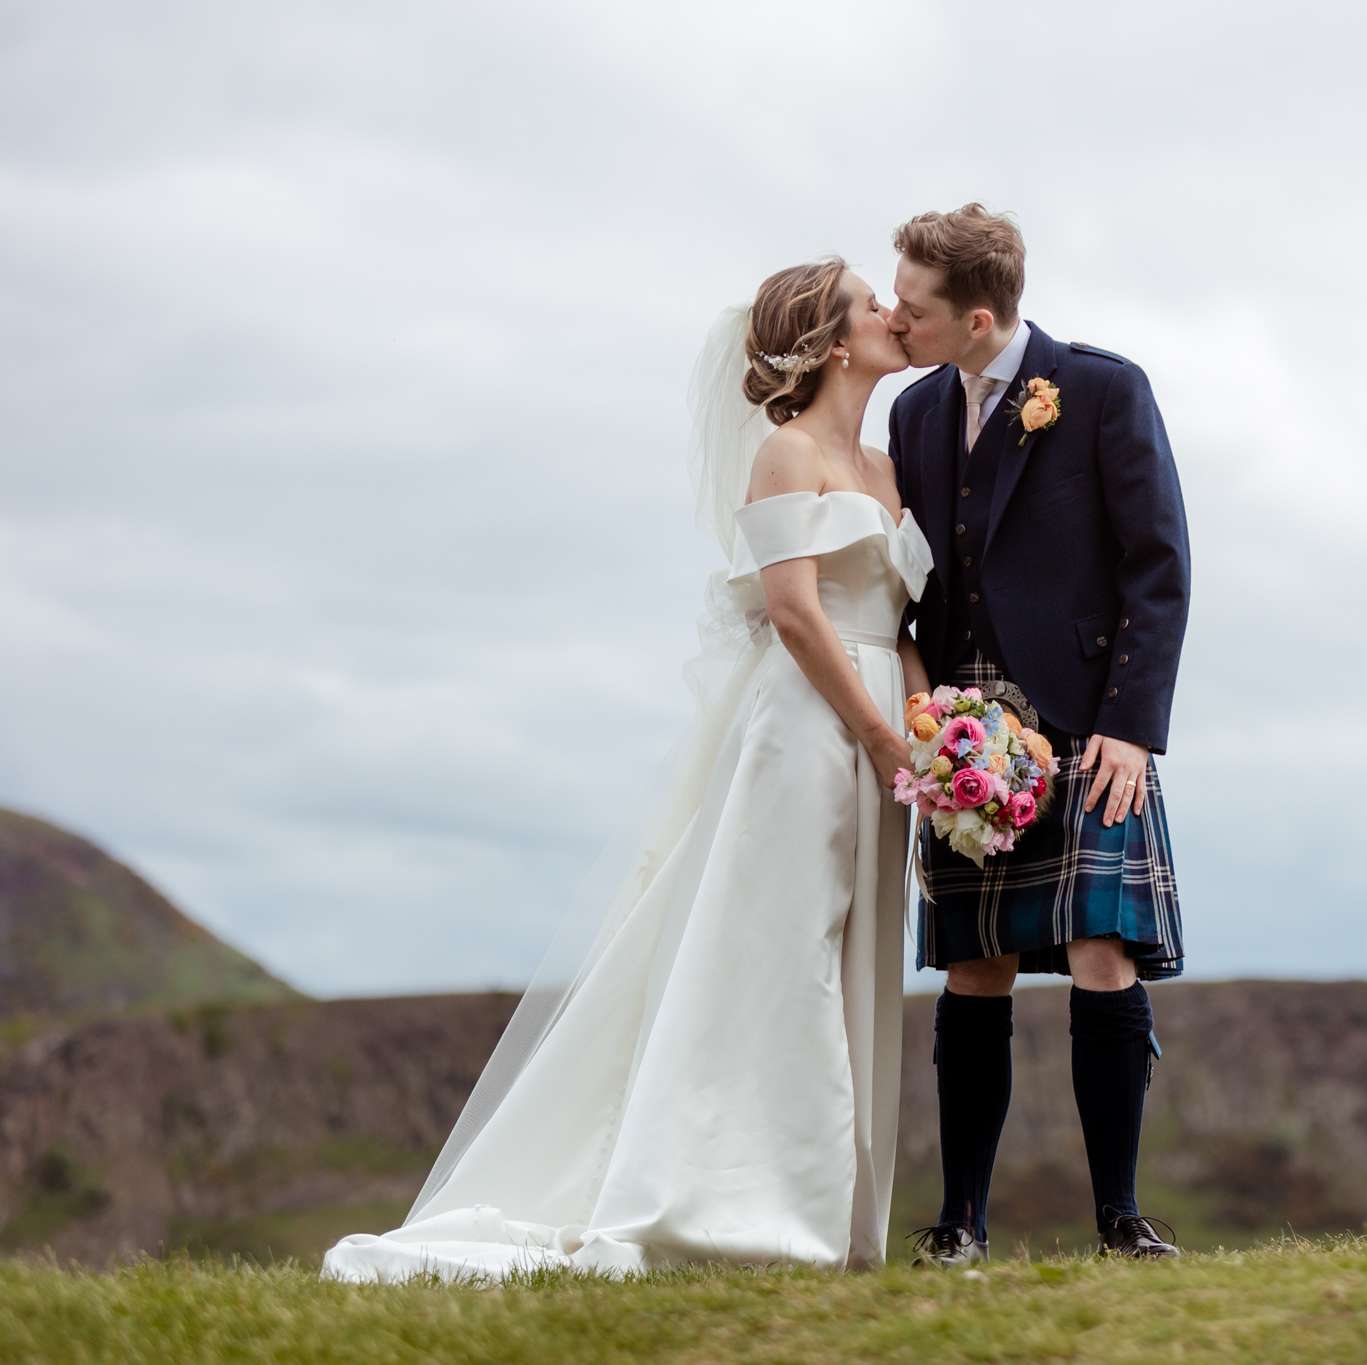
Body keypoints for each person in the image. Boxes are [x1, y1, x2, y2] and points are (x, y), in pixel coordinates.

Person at [321, 257, 933, 1280]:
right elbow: (791, 610)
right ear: (833, 343)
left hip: (884, 730)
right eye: (872, 303)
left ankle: (837, 1212)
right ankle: (749, 1199)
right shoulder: (785, 455)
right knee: (782, 952)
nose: (890, 314)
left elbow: (898, 615)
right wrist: (870, 731)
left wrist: (923, 722)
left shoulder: (883, 469)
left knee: (854, 956)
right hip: (810, 727)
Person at [887, 204, 1193, 1263]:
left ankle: (1119, 1218)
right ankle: (958, 1222)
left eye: (913, 305)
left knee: (1101, 949)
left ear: (977, 318)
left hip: (1083, 721)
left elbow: (1157, 565)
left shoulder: (1104, 389)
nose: (895, 317)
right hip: (961, 721)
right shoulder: (913, 414)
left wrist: (1131, 727)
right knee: (974, 962)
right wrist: (926, 717)